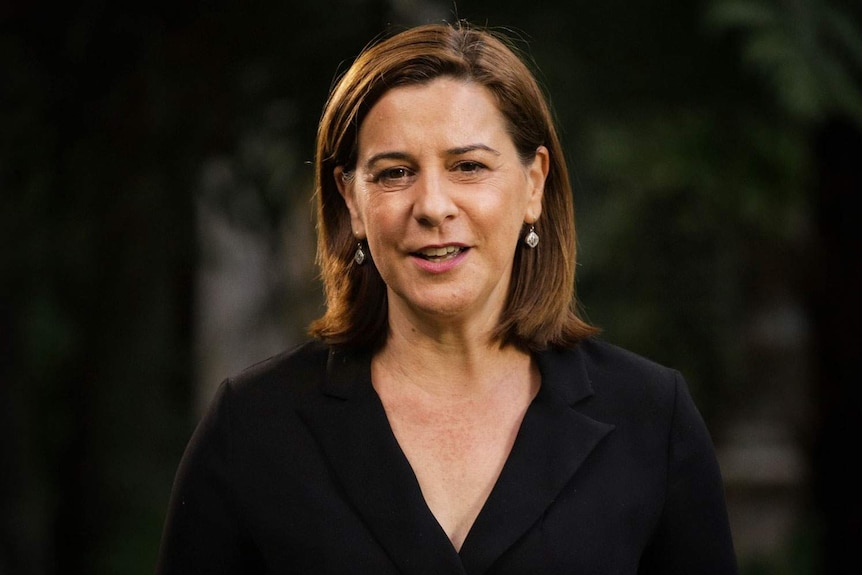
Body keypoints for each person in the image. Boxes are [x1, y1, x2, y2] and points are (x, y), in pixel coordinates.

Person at [156, 21, 739, 574]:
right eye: (393, 174)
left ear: (533, 183)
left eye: (467, 166)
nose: (432, 206)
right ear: (351, 202)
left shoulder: (650, 418)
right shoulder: (254, 427)